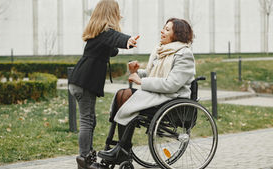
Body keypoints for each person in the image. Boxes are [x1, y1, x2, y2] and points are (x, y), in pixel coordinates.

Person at [97, 18, 195, 164]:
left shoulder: (184, 54)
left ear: (178, 34)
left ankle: (123, 149)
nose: (162, 31)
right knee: (121, 94)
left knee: (126, 95)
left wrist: (141, 81)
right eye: (163, 28)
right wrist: (137, 72)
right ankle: (120, 147)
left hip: (171, 98)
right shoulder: (162, 50)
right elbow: (152, 74)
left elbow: (172, 84)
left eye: (167, 30)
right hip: (158, 95)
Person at [68, 0, 139, 168]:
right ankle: (84, 159)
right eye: (117, 12)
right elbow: (114, 37)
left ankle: (87, 157)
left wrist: (122, 42)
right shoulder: (105, 32)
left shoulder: (98, 34)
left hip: (79, 82)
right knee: (87, 121)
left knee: (90, 120)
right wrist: (127, 39)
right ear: (111, 14)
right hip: (84, 83)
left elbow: (112, 49)